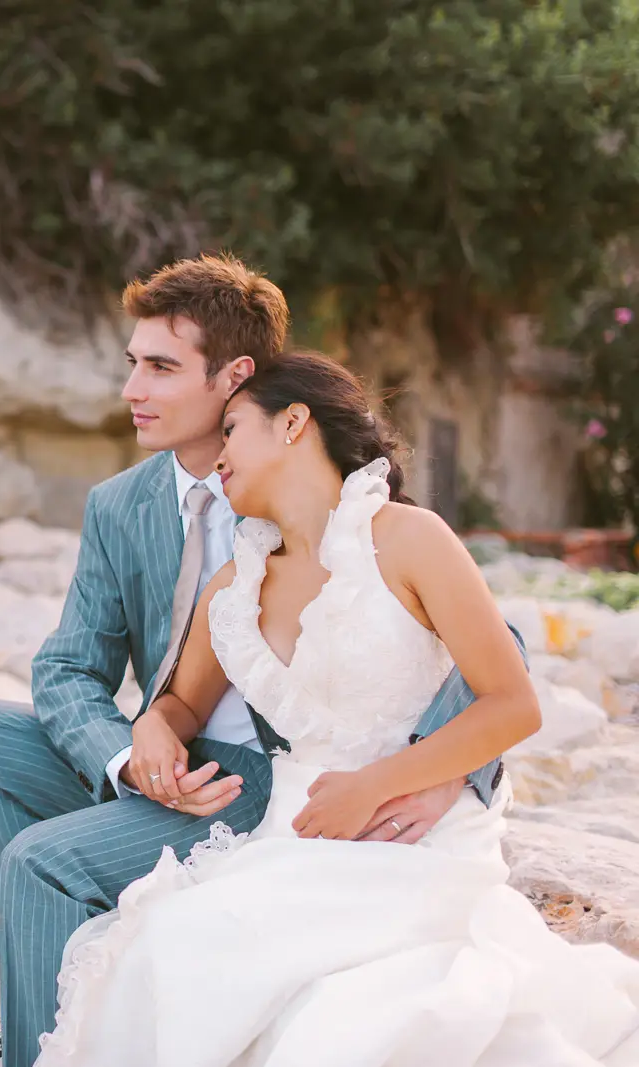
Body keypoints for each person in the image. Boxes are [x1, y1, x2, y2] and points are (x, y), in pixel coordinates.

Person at [0, 254, 506, 1067]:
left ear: (234, 377)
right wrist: (133, 750)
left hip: (265, 779)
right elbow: (66, 669)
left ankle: (67, 963)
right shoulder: (119, 504)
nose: (132, 389)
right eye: (133, 363)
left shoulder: (315, 498)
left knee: (41, 864)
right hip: (171, 767)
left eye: (161, 367)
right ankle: (90, 947)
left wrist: (434, 770)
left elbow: (487, 650)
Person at [34, 352, 639, 1067]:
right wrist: (153, 727)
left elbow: (512, 705)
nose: (217, 457)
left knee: (356, 1018)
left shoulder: (410, 539)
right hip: (289, 834)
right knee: (171, 955)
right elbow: (178, 706)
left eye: (232, 430)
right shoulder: (234, 585)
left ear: (293, 422)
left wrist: (376, 784)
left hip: (415, 834)